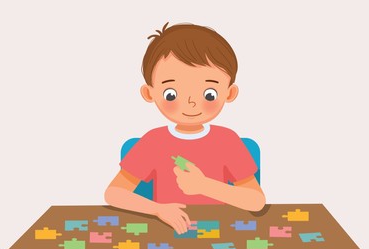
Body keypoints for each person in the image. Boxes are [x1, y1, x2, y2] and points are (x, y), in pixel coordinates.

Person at [104, 22, 266, 234]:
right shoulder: (154, 142)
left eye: (209, 94)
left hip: (220, 233)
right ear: (149, 93)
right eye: (171, 94)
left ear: (230, 93)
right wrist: (157, 210)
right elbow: (114, 193)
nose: (191, 104)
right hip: (168, 232)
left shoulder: (227, 141)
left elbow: (256, 201)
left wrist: (204, 186)